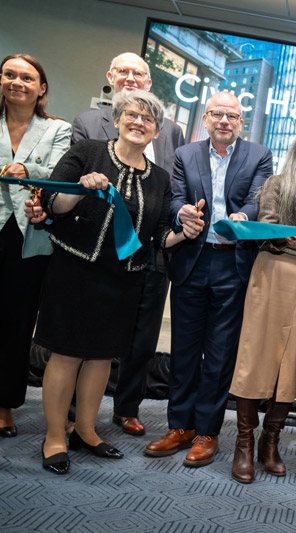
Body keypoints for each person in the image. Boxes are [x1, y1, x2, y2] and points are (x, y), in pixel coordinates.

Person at [28, 90, 198, 475]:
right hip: (75, 271)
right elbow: (52, 203)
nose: (139, 123)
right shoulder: (87, 152)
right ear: (118, 118)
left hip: (124, 279)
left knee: (102, 356)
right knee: (67, 354)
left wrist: (184, 233)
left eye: (148, 120)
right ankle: (55, 435)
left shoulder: (159, 178)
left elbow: (158, 238)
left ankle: (86, 430)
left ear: (156, 131)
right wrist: (81, 190)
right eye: (132, 115)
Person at [144, 91, 272, 468]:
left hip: (231, 263)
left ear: (241, 123)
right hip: (192, 260)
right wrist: (181, 210)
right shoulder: (186, 154)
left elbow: (257, 199)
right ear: (205, 119)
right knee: (184, 350)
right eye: (217, 114)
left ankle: (206, 431)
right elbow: (173, 198)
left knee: (219, 354)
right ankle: (179, 425)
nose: (224, 121)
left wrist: (244, 218)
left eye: (232, 116)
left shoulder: (258, 155)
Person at [71, 52, 185, 436]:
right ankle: (75, 413)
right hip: (98, 247)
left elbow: (172, 185)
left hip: (152, 245)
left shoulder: (170, 130)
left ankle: (127, 406)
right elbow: (73, 179)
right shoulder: (88, 123)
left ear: (149, 82)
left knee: (144, 332)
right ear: (111, 76)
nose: (132, 78)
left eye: (140, 73)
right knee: (87, 330)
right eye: (124, 72)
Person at [228, 128, 296, 484]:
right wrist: (284, 235)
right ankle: (244, 443)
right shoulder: (277, 183)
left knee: (292, 365)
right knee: (256, 358)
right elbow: (266, 226)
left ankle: (269, 441)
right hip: (273, 272)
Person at [0, 54, 71, 438]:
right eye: (9, 74)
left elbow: (62, 172)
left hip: (29, 234)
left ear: (41, 88)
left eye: (27, 78)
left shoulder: (57, 129)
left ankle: (4, 403)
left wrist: (28, 171)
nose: (17, 82)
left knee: (16, 321)